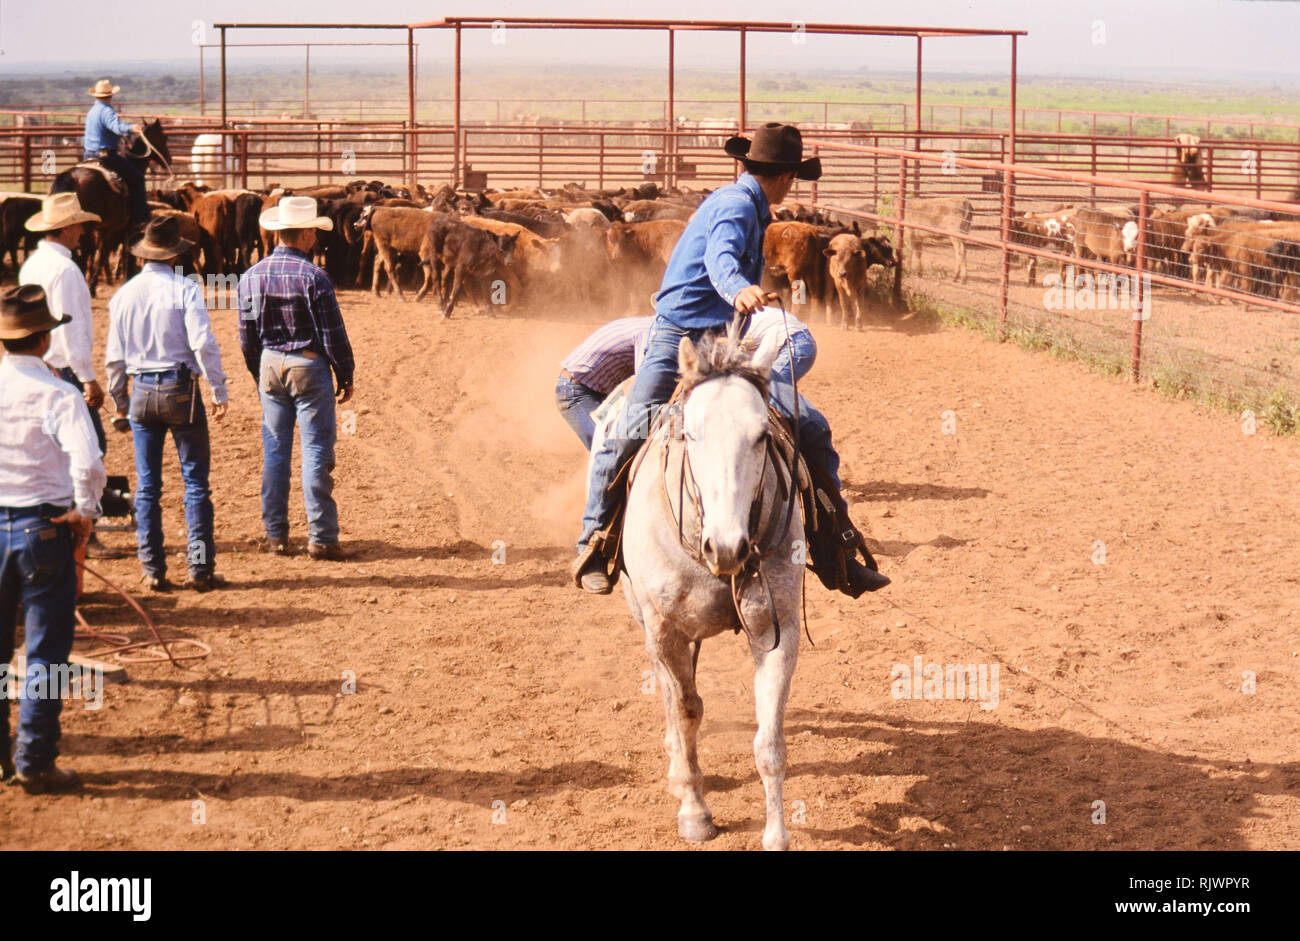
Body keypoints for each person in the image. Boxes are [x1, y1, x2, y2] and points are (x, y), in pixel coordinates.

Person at [573, 122, 888, 597]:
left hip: (723, 340)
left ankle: (838, 548)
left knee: (808, 426)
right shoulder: (737, 206)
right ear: (786, 177)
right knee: (633, 425)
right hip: (677, 337)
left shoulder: (747, 206)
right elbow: (721, 258)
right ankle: (596, 540)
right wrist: (739, 288)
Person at [0, 284, 106, 793]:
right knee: (45, 650)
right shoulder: (60, 394)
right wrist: (84, 512)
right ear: (43, 340)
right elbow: (87, 464)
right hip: (43, 528)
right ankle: (35, 759)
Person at [104, 216, 229, 592]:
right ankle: (200, 568)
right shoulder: (184, 289)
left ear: (143, 255)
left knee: (147, 485)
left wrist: (120, 402)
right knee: (195, 483)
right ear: (174, 254)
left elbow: (114, 359)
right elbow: (202, 342)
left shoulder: (123, 295)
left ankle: (153, 568)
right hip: (180, 387)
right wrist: (218, 388)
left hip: (141, 388)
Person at [237, 196, 355, 560]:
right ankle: (321, 536)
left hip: (270, 363)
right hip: (308, 365)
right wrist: (345, 372)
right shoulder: (315, 277)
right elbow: (332, 332)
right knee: (316, 449)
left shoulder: (251, 276)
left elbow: (246, 333)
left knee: (275, 449)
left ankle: (276, 534)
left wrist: (259, 368)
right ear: (305, 234)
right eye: (312, 234)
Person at [19, 193, 124, 561]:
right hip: (63, 368)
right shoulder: (66, 270)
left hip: (37, 363)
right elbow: (71, 330)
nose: (82, 231)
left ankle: (53, 524)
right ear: (65, 229)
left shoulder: (32, 264)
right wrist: (89, 378)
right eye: (77, 224)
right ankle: (85, 531)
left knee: (52, 448)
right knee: (89, 445)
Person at [556, 316, 652, 450]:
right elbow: (646, 380)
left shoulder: (646, 326)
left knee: (630, 442)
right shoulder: (649, 333)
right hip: (577, 391)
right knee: (611, 449)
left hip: (595, 390)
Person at [83, 79, 148, 227]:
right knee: (137, 179)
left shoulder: (92, 111)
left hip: (88, 155)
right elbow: (116, 127)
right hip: (106, 157)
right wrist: (132, 128)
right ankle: (140, 220)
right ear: (110, 96)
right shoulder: (106, 111)